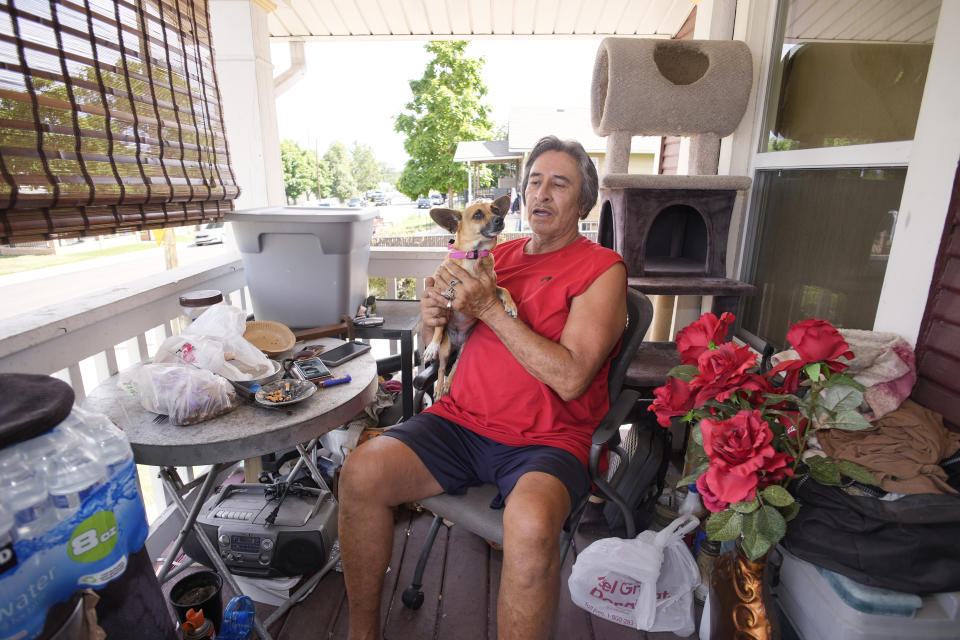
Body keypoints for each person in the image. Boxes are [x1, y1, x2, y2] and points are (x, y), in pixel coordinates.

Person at [338, 136, 628, 640]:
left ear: (583, 203)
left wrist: (490, 308)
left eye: (559, 184)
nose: (542, 193)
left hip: (545, 439)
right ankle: (362, 635)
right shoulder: (500, 253)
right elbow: (448, 332)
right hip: (460, 421)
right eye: (534, 181)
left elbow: (571, 376)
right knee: (360, 473)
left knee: (533, 527)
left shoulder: (601, 270)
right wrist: (435, 317)